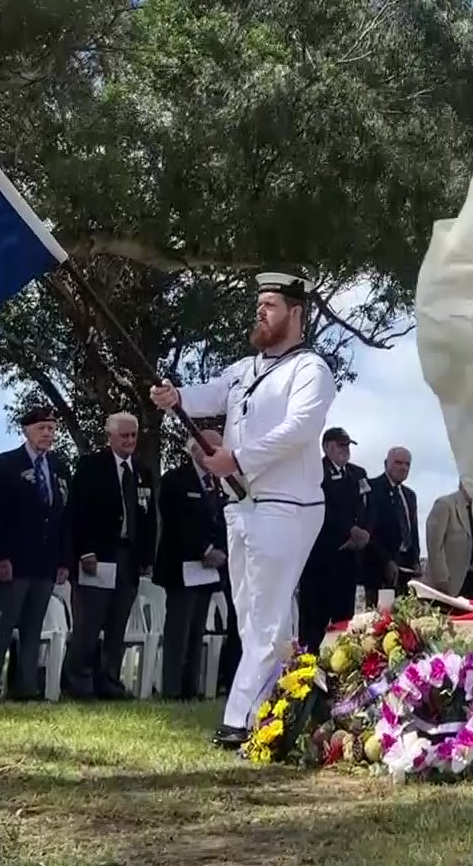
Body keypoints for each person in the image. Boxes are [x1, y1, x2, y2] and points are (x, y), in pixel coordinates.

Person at [151, 271, 337, 748]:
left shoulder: (310, 370)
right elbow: (207, 394)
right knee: (250, 614)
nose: (261, 312)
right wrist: (175, 397)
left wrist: (239, 457)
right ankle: (291, 703)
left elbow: (299, 429)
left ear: (296, 314)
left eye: (271, 305)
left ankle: (242, 719)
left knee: (267, 612)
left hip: (287, 504)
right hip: (244, 505)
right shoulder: (243, 369)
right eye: (260, 304)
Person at [0, 402, 71, 701]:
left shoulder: (58, 466)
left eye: (52, 429)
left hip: (46, 560)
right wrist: (0, 556)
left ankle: (25, 687)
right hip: (14, 559)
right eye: (42, 428)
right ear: (26, 431)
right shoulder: (5, 464)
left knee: (33, 627)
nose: (47, 434)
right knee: (1, 625)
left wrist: (64, 559)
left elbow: (65, 515)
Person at [65, 411, 156, 700]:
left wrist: (146, 556)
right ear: (110, 437)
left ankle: (109, 681)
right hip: (98, 555)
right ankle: (79, 681)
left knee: (118, 625)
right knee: (89, 624)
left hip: (129, 558)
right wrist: (84, 551)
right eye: (124, 436)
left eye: (133, 435)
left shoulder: (142, 470)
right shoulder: (91, 466)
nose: (130, 441)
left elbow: (149, 516)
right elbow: (77, 512)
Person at [154, 429, 230, 699]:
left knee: (198, 629)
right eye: (211, 447)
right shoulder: (175, 479)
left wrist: (221, 552)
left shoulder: (221, 481)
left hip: (210, 571)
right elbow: (175, 522)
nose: (215, 452)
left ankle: (191, 688)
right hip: (182, 566)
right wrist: (204, 550)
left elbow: (224, 519)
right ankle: (172, 689)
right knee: (179, 631)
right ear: (194, 449)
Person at [298, 426, 369, 652]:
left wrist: (365, 531)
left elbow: (369, 507)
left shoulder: (358, 474)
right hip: (321, 559)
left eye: (348, 445)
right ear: (327, 446)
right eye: (341, 445)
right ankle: (307, 671)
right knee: (314, 623)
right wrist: (348, 530)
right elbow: (320, 508)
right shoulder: (314, 472)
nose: (346, 449)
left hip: (348, 561)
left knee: (344, 621)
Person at [424, 479, 473, 601]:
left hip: (472, 586)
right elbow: (434, 547)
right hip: (445, 588)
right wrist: (442, 580)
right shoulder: (445, 505)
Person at [363, 447, 421, 596]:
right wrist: (386, 560)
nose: (403, 468)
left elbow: (413, 530)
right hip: (379, 569)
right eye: (398, 463)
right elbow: (369, 531)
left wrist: (416, 559)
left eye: (407, 464)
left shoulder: (409, 495)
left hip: (406, 570)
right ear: (386, 463)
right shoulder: (372, 489)